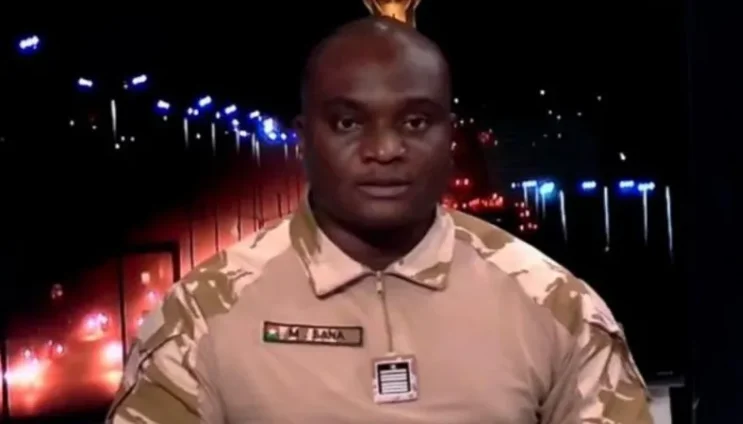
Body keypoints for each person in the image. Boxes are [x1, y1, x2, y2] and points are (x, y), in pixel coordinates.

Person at [107, 17, 653, 424]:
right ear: (304, 139)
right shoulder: (203, 315)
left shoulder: (554, 305)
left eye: (415, 122)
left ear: (449, 137)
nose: (385, 150)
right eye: (348, 123)